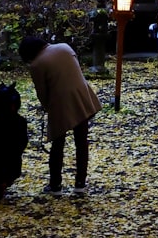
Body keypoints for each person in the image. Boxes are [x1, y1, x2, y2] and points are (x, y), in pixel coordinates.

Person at [18, 36, 102, 195]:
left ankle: (55, 185)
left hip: (59, 104)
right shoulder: (65, 47)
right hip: (81, 98)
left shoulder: (37, 64)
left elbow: (42, 92)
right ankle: (80, 184)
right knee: (81, 142)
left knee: (58, 145)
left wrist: (47, 107)